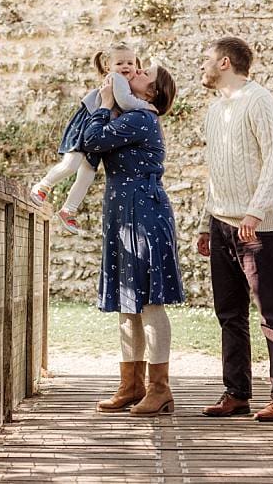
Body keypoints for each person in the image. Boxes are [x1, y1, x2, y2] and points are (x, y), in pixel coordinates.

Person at [196, 36, 273, 422]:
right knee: (229, 313)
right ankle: (236, 393)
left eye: (206, 59)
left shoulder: (259, 100)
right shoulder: (215, 111)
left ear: (225, 62)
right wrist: (208, 222)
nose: (201, 66)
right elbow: (216, 173)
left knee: (271, 310)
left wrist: (254, 214)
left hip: (258, 228)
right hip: (222, 225)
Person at [78, 65, 183, 416]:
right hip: (124, 213)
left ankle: (159, 388)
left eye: (141, 74)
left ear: (150, 93)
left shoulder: (140, 119)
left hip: (144, 213)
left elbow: (92, 139)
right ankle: (131, 384)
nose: (132, 73)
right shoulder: (133, 116)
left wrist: (106, 103)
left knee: (150, 303)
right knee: (127, 305)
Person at [31, 43, 158, 234]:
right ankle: (42, 187)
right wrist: (145, 105)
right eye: (120, 63)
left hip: (98, 126)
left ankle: (69, 210)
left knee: (87, 174)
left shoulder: (126, 82)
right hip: (87, 123)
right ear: (108, 67)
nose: (126, 67)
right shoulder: (116, 79)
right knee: (71, 163)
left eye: (130, 63)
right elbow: (124, 102)